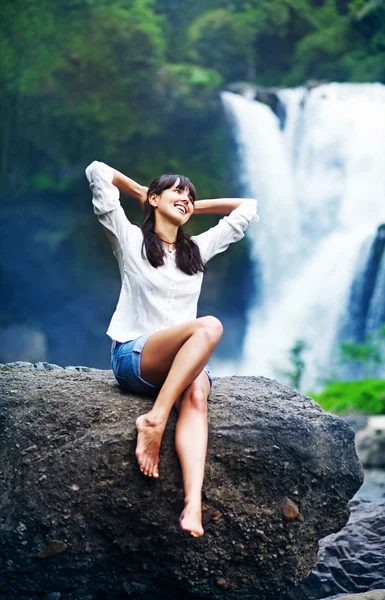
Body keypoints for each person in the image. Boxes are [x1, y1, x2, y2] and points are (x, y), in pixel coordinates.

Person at [85, 161, 259, 537]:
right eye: (177, 191)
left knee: (197, 393)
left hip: (182, 365)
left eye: (190, 195)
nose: (185, 198)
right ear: (154, 198)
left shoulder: (196, 249)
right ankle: (157, 417)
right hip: (135, 357)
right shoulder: (128, 238)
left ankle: (192, 503)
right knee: (210, 326)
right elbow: (98, 170)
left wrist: (189, 205)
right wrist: (141, 196)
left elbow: (247, 206)